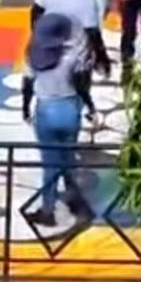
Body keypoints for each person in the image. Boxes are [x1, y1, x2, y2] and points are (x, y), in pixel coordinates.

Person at [25, 13, 90, 228]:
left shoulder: (33, 55)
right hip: (70, 108)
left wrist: (25, 107)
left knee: (50, 164)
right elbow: (81, 83)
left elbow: (27, 83)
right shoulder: (72, 57)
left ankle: (48, 210)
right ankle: (76, 202)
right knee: (69, 159)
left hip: (45, 110)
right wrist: (89, 105)